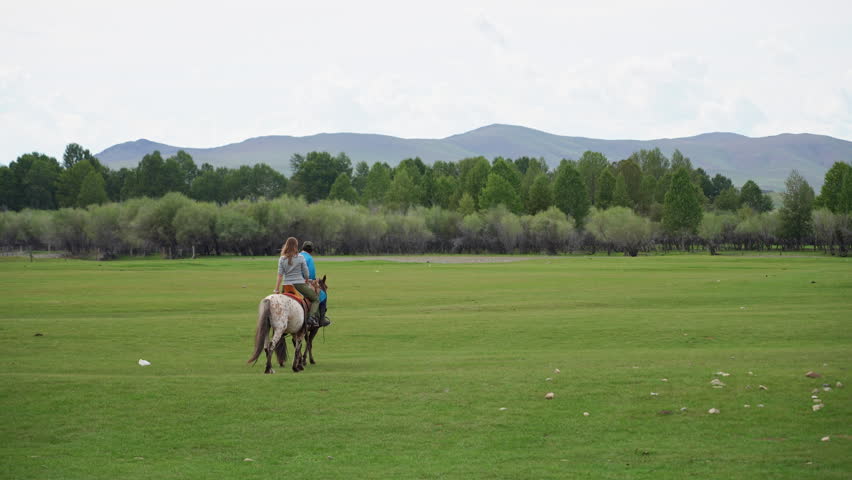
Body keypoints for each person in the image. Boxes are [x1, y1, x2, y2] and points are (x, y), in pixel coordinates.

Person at [273, 237, 320, 327]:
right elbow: (306, 272)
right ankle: (311, 318)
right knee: (315, 299)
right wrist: (306, 279)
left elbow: (280, 275)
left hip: (286, 286)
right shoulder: (300, 257)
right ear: (296, 246)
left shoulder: (282, 259)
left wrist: (276, 290)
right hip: (298, 285)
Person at [300, 241, 331, 327]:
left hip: (291, 283)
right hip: (304, 283)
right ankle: (321, 319)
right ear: (311, 251)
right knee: (323, 295)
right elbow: (311, 275)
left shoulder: (296, 256)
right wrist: (314, 280)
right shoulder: (309, 258)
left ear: (302, 248)